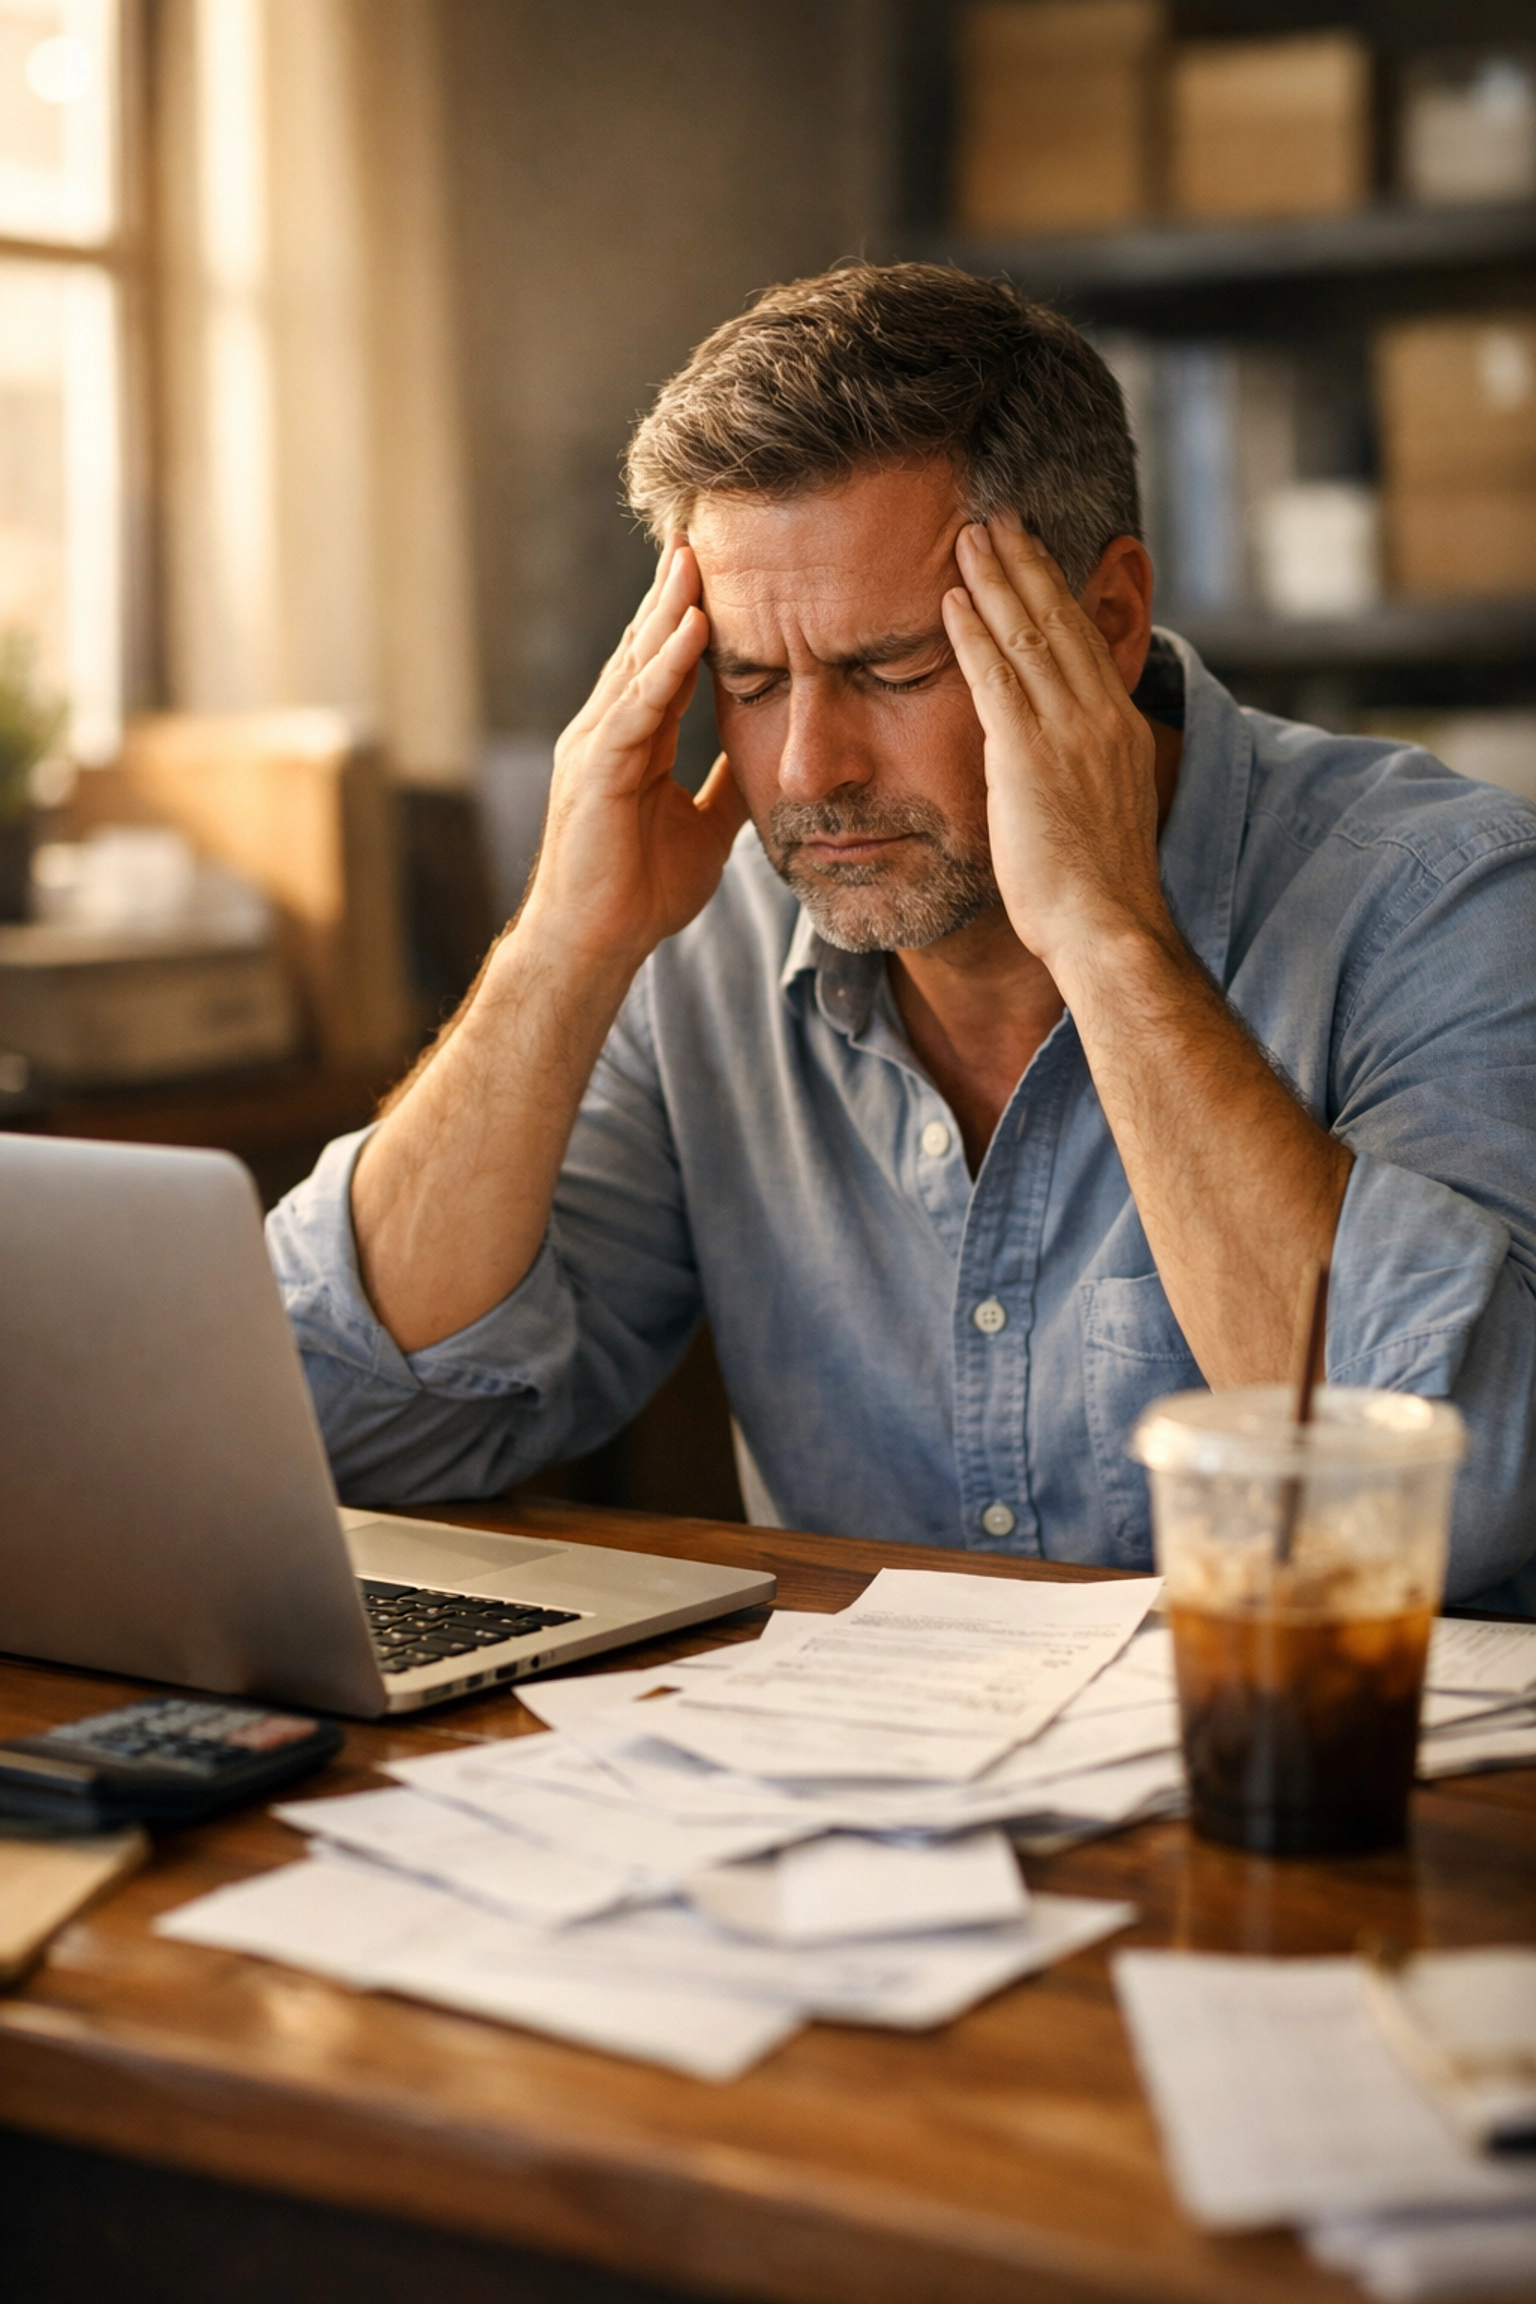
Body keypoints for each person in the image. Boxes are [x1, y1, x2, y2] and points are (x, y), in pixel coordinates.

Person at [268, 263, 1536, 1610]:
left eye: (891, 668)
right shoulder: (707, 940)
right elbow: (336, 1429)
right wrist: (562, 949)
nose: (809, 768)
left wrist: (1107, 940)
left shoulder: (1443, 897)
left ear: (1105, 624)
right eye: (749, 682)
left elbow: (1457, 1506)